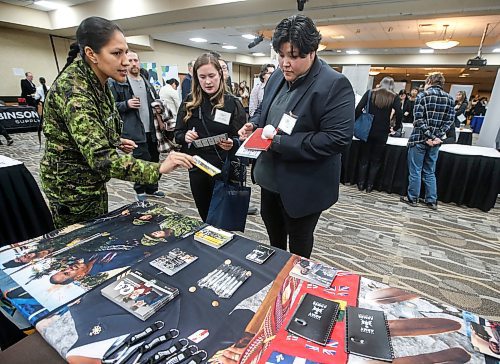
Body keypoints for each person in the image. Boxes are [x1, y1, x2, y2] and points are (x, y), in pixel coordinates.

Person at [40, 16, 194, 228]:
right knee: (81, 245)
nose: (126, 61)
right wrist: (157, 169)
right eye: (116, 53)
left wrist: (114, 139)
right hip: (71, 188)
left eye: (125, 52)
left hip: (90, 180)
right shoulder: (75, 90)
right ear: (91, 54)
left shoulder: (100, 80)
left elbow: (94, 126)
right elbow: (101, 158)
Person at [238, 15, 354, 258]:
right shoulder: (278, 76)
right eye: (281, 55)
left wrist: (279, 143)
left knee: (299, 248)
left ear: (312, 52)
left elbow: (336, 139)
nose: (285, 63)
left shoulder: (334, 84)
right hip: (269, 179)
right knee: (274, 239)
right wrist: (253, 124)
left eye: (294, 56)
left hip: (303, 185)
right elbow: (264, 110)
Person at [174, 53, 246, 222]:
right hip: (198, 168)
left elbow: (242, 138)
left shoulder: (232, 103)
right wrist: (185, 136)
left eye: (212, 76)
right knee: (206, 216)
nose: (207, 82)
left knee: (225, 220)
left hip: (224, 169)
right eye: (202, 77)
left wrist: (232, 143)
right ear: (196, 78)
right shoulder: (189, 102)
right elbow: (177, 134)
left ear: (220, 75)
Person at [108, 51, 165, 202]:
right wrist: (126, 104)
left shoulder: (145, 80)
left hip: (151, 129)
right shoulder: (118, 82)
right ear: (125, 62)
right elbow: (110, 107)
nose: (133, 63)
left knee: (154, 158)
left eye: (136, 60)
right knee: (141, 160)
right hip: (134, 130)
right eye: (130, 60)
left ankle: (153, 188)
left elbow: (154, 101)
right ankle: (140, 190)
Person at [401, 72, 454, 210]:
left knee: (416, 170)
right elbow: (449, 121)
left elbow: (418, 120)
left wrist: (428, 136)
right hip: (435, 142)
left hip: (419, 139)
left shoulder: (422, 96)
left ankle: (413, 198)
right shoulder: (450, 99)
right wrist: (436, 137)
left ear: (430, 81)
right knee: (430, 171)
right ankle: (431, 200)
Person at [355, 77, 402, 192]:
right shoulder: (394, 97)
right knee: (376, 160)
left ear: (380, 84)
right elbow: (399, 113)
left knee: (364, 158)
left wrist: (356, 121)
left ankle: (361, 184)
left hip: (367, 130)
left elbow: (358, 109)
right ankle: (370, 186)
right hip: (382, 132)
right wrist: (395, 127)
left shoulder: (370, 93)